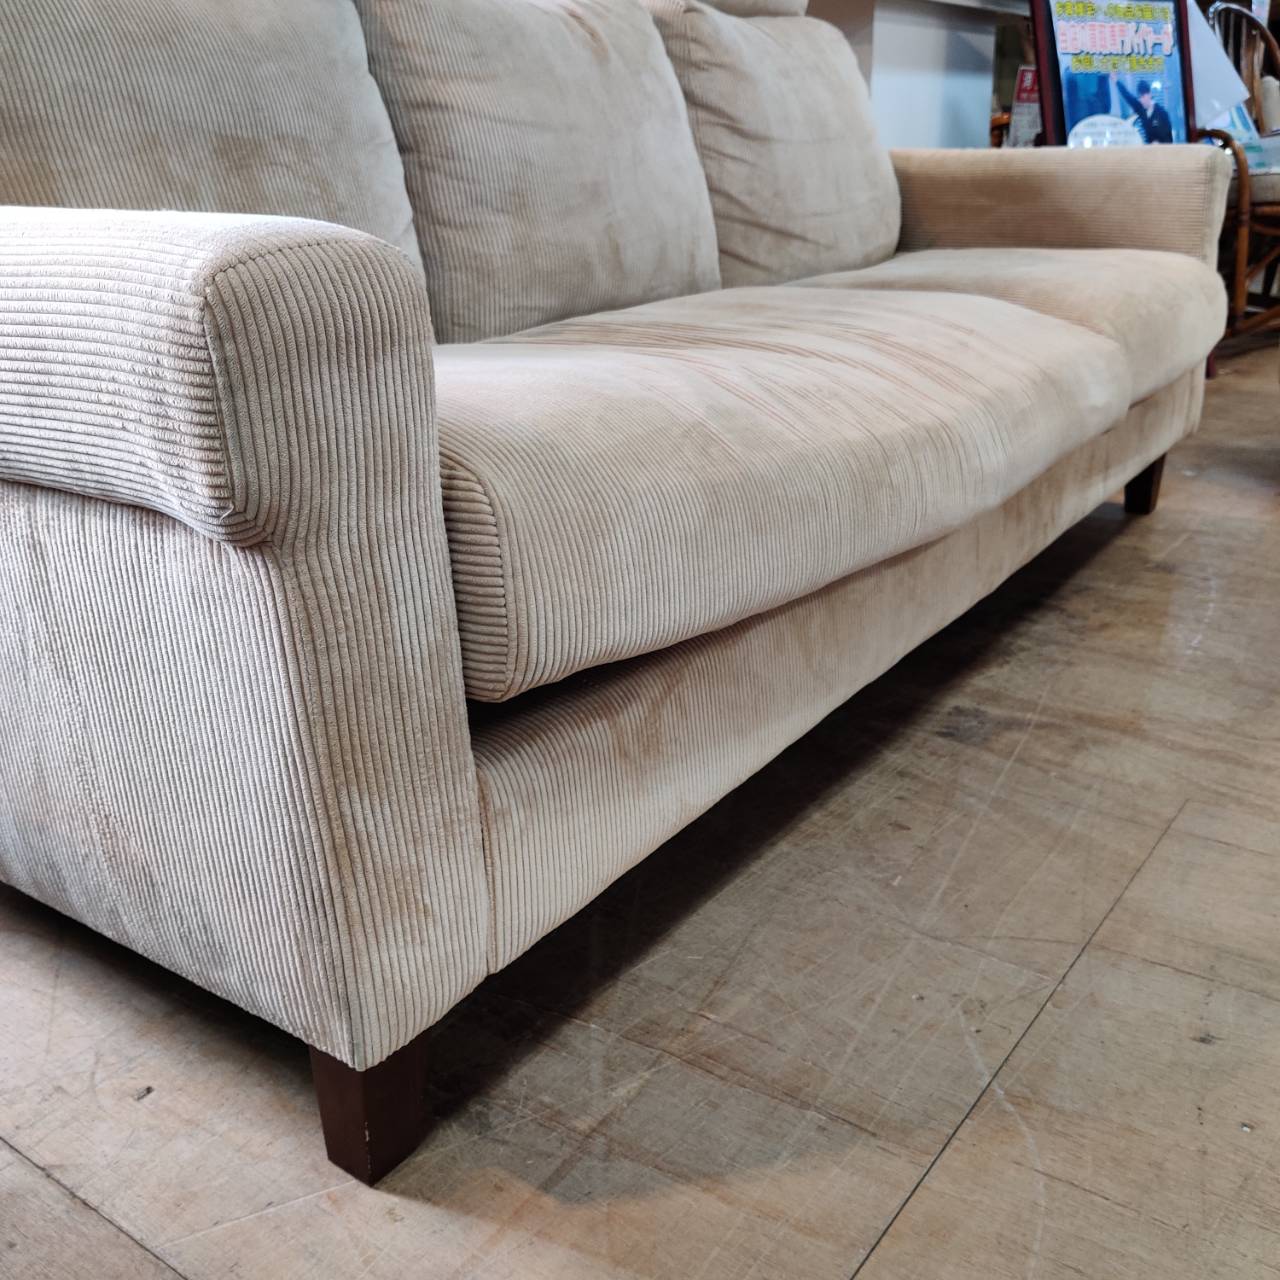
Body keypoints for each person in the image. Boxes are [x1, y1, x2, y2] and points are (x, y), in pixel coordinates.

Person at [1111, 72, 1174, 143]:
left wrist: (1159, 143)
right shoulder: (1141, 109)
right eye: (1140, 97)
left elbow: (1169, 138)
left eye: (1143, 96)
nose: (1141, 100)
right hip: (1149, 148)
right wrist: (1116, 81)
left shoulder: (1162, 113)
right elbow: (1127, 95)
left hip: (1163, 148)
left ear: (1150, 94)